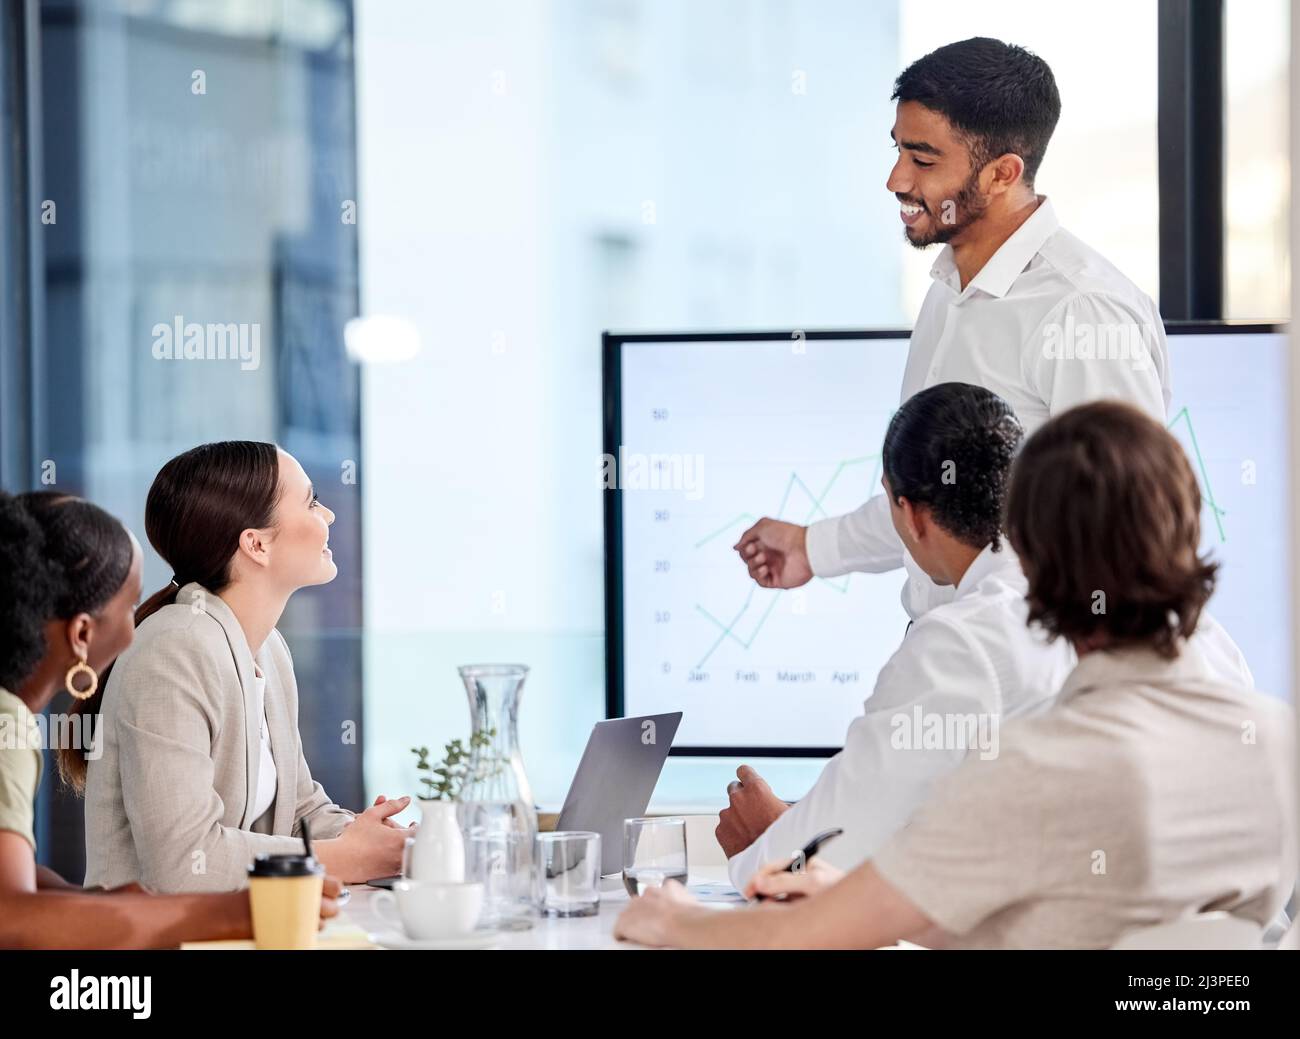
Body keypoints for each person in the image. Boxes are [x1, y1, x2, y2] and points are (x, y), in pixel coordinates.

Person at [617, 402, 1295, 949]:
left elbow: (795, 938)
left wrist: (674, 917)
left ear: (1031, 549)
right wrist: (865, 900)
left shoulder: (1036, 764)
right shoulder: (1273, 737)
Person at [735, 38, 1170, 624]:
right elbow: (943, 508)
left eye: (923, 159)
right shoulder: (948, 292)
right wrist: (814, 547)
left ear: (1002, 174)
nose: (895, 179)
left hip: (1031, 690)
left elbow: (1125, 536)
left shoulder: (1083, 311)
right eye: (897, 151)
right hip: (947, 665)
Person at [719, 383, 1073, 888]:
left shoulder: (961, 644)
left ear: (907, 512)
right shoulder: (1096, 597)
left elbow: (828, 846)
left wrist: (764, 848)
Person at [0, 490, 341, 948]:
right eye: (128, 606)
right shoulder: (8, 727)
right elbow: (11, 916)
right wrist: (237, 910)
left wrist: (119, 902)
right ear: (82, 634)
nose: (136, 627)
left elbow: (17, 880)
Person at [76, 441, 411, 892]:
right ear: (256, 544)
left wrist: (381, 841)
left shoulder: (267, 649)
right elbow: (182, 862)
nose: (328, 516)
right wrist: (342, 858)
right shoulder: (174, 650)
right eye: (312, 501)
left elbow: (296, 811)